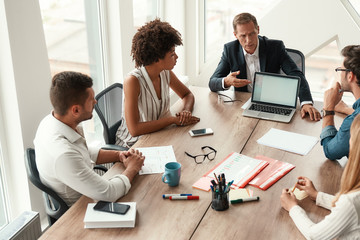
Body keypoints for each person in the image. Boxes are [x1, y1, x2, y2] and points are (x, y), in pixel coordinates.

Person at [281, 110, 360, 239]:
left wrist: (293, 207)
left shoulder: (352, 201)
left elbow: (315, 236)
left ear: (358, 148)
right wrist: (317, 196)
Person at [34, 71, 145, 206]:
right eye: (91, 100)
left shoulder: (51, 121)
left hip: (88, 191)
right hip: (82, 209)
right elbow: (109, 194)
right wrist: (132, 168)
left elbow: (84, 151)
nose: (95, 101)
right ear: (75, 110)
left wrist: (119, 155)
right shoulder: (64, 154)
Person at [209, 12, 320, 121]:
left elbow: (296, 74)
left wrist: (306, 102)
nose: (249, 40)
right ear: (235, 35)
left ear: (258, 30)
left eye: (252, 33)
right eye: (243, 36)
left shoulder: (275, 47)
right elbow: (212, 82)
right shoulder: (230, 50)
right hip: (242, 106)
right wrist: (227, 81)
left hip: (273, 103)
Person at [116, 19, 200, 148]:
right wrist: (172, 120)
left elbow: (187, 94)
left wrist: (186, 113)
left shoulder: (165, 72)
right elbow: (134, 130)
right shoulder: (133, 81)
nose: (176, 57)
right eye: (172, 54)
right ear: (156, 58)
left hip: (159, 136)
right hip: (133, 146)